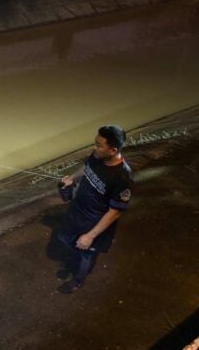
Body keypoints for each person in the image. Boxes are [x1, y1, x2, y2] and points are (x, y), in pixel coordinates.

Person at [55, 125, 133, 294]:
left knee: (86, 254)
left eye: (99, 145)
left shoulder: (122, 177)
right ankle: (73, 258)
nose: (94, 148)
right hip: (77, 210)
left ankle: (77, 280)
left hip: (94, 222)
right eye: (95, 143)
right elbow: (87, 167)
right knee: (66, 238)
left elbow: (115, 211)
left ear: (112, 150)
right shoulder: (97, 156)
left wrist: (90, 235)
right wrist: (72, 178)